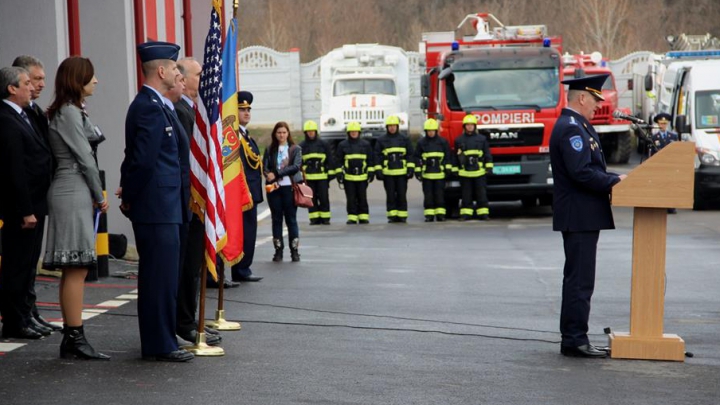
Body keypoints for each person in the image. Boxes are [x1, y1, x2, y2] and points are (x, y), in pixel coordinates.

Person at [119, 41, 194, 362]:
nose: (179, 73)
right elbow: (141, 161)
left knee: (166, 278)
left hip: (168, 205)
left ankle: (164, 339)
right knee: (158, 279)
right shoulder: (147, 106)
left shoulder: (160, 105)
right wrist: (131, 197)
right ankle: (159, 343)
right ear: (160, 71)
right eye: (175, 68)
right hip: (155, 206)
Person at [550, 74, 626, 358]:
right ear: (582, 97)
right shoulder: (572, 129)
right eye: (595, 99)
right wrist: (614, 180)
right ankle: (574, 339)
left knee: (580, 279)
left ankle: (574, 336)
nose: (597, 105)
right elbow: (580, 172)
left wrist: (612, 177)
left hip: (582, 216)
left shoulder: (578, 125)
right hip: (579, 216)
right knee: (579, 281)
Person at [41, 57, 109, 359]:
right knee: (76, 267)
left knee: (76, 267)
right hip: (72, 189)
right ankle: (74, 336)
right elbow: (84, 157)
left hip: (74, 189)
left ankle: (73, 335)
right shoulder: (69, 113)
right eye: (91, 77)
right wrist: (100, 194)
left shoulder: (71, 111)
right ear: (77, 80)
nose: (96, 81)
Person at [168, 61, 222, 346]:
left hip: (196, 198)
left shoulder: (191, 108)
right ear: (184, 80)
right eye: (198, 74)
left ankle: (190, 319)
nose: (205, 78)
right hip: (190, 199)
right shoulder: (181, 109)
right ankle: (186, 322)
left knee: (193, 267)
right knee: (187, 267)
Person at [0, 66, 53, 340]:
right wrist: (26, 210)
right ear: (12, 88)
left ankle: (24, 315)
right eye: (26, 83)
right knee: (17, 266)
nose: (32, 87)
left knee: (28, 263)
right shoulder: (7, 119)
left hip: (35, 201)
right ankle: (14, 320)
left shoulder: (25, 115)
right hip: (23, 206)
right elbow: (15, 169)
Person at [11, 55, 62, 334]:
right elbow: (18, 163)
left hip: (39, 197)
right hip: (24, 200)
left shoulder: (32, 111)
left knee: (30, 263)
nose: (40, 85)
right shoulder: (12, 114)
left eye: (41, 79)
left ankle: (29, 311)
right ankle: (18, 316)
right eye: (34, 80)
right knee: (19, 263)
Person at [227, 91, 263, 282]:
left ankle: (244, 268)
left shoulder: (246, 136)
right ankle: (240, 270)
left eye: (248, 109)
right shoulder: (234, 136)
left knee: (250, 232)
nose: (247, 113)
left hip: (251, 193)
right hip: (242, 193)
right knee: (242, 232)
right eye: (242, 110)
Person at [263, 122, 303, 262]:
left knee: (291, 219)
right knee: (276, 219)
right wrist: (269, 175)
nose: (281, 135)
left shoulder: (295, 149)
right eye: (279, 132)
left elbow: (296, 166)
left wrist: (277, 173)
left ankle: (294, 251)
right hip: (274, 189)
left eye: (284, 132)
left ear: (288, 133)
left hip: (290, 188)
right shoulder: (270, 149)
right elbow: (265, 167)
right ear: (275, 134)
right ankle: (278, 251)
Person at [374, 115, 415, 223]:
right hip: (388, 173)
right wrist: (378, 170)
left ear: (397, 126)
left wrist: (410, 169)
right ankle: (392, 215)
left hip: (402, 173)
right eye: (390, 126)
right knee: (390, 195)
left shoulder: (404, 139)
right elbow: (377, 156)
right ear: (387, 127)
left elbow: (410, 155)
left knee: (402, 194)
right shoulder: (381, 140)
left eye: (394, 126)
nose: (392, 128)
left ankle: (402, 215)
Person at [455, 114, 493, 221]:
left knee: (481, 194)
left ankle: (483, 214)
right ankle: (466, 214)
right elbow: (456, 156)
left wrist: (489, 167)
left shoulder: (482, 139)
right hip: (465, 173)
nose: (470, 127)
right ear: (464, 126)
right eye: (468, 125)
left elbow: (487, 154)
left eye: (472, 125)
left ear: (475, 126)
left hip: (479, 172)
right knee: (466, 195)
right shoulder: (459, 140)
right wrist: (454, 169)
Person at [336, 122, 376, 224]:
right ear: (348, 133)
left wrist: (371, 172)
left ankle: (363, 216)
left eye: (355, 132)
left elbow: (370, 160)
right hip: (348, 177)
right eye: (352, 132)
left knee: (362, 197)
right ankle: (352, 217)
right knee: (351, 198)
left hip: (362, 177)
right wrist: (339, 173)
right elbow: (338, 161)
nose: (354, 133)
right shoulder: (342, 145)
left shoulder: (366, 145)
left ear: (359, 132)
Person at [414, 118, 452, 222]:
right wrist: (417, 171)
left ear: (436, 130)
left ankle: (440, 215)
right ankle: (429, 215)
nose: (431, 133)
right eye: (428, 131)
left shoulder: (443, 142)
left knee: (440, 195)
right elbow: (417, 158)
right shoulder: (421, 143)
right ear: (426, 131)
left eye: (432, 130)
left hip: (440, 174)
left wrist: (448, 169)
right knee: (428, 196)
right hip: (427, 175)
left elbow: (448, 156)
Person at [299, 120, 335, 225]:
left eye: (312, 131)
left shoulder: (324, 144)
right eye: (308, 131)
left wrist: (331, 173)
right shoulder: (301, 146)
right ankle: (314, 218)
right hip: (309, 178)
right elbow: (298, 163)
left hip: (322, 176)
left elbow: (330, 159)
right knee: (311, 198)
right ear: (305, 133)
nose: (311, 133)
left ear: (316, 132)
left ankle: (325, 218)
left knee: (324, 198)